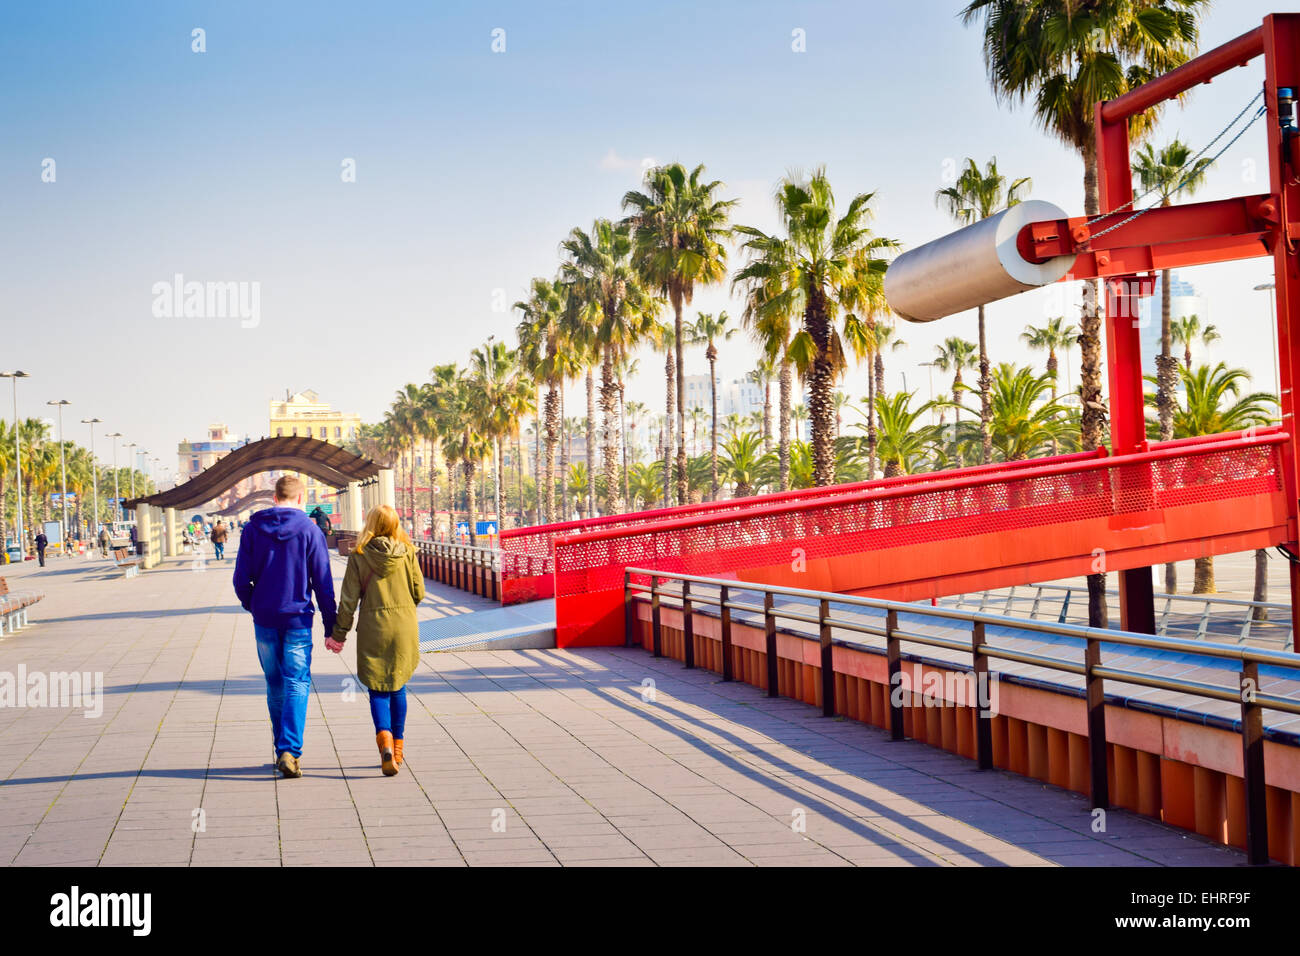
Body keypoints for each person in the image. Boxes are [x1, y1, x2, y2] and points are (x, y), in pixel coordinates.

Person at [233, 475, 337, 779]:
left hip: (264, 619)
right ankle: (290, 750)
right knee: (297, 681)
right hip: (298, 619)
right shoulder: (310, 530)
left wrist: (254, 604)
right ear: (302, 498)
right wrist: (331, 625)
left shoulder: (252, 530)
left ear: (275, 498)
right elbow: (323, 582)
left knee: (275, 683)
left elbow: (241, 580)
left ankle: (283, 750)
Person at [327, 504, 423, 777]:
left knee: (378, 688)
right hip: (404, 626)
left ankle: (385, 743)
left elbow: (348, 601)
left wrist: (338, 634)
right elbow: (420, 592)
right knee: (398, 685)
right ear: (395, 525)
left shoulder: (359, 556)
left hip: (373, 626)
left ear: (369, 525)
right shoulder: (409, 552)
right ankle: (399, 748)